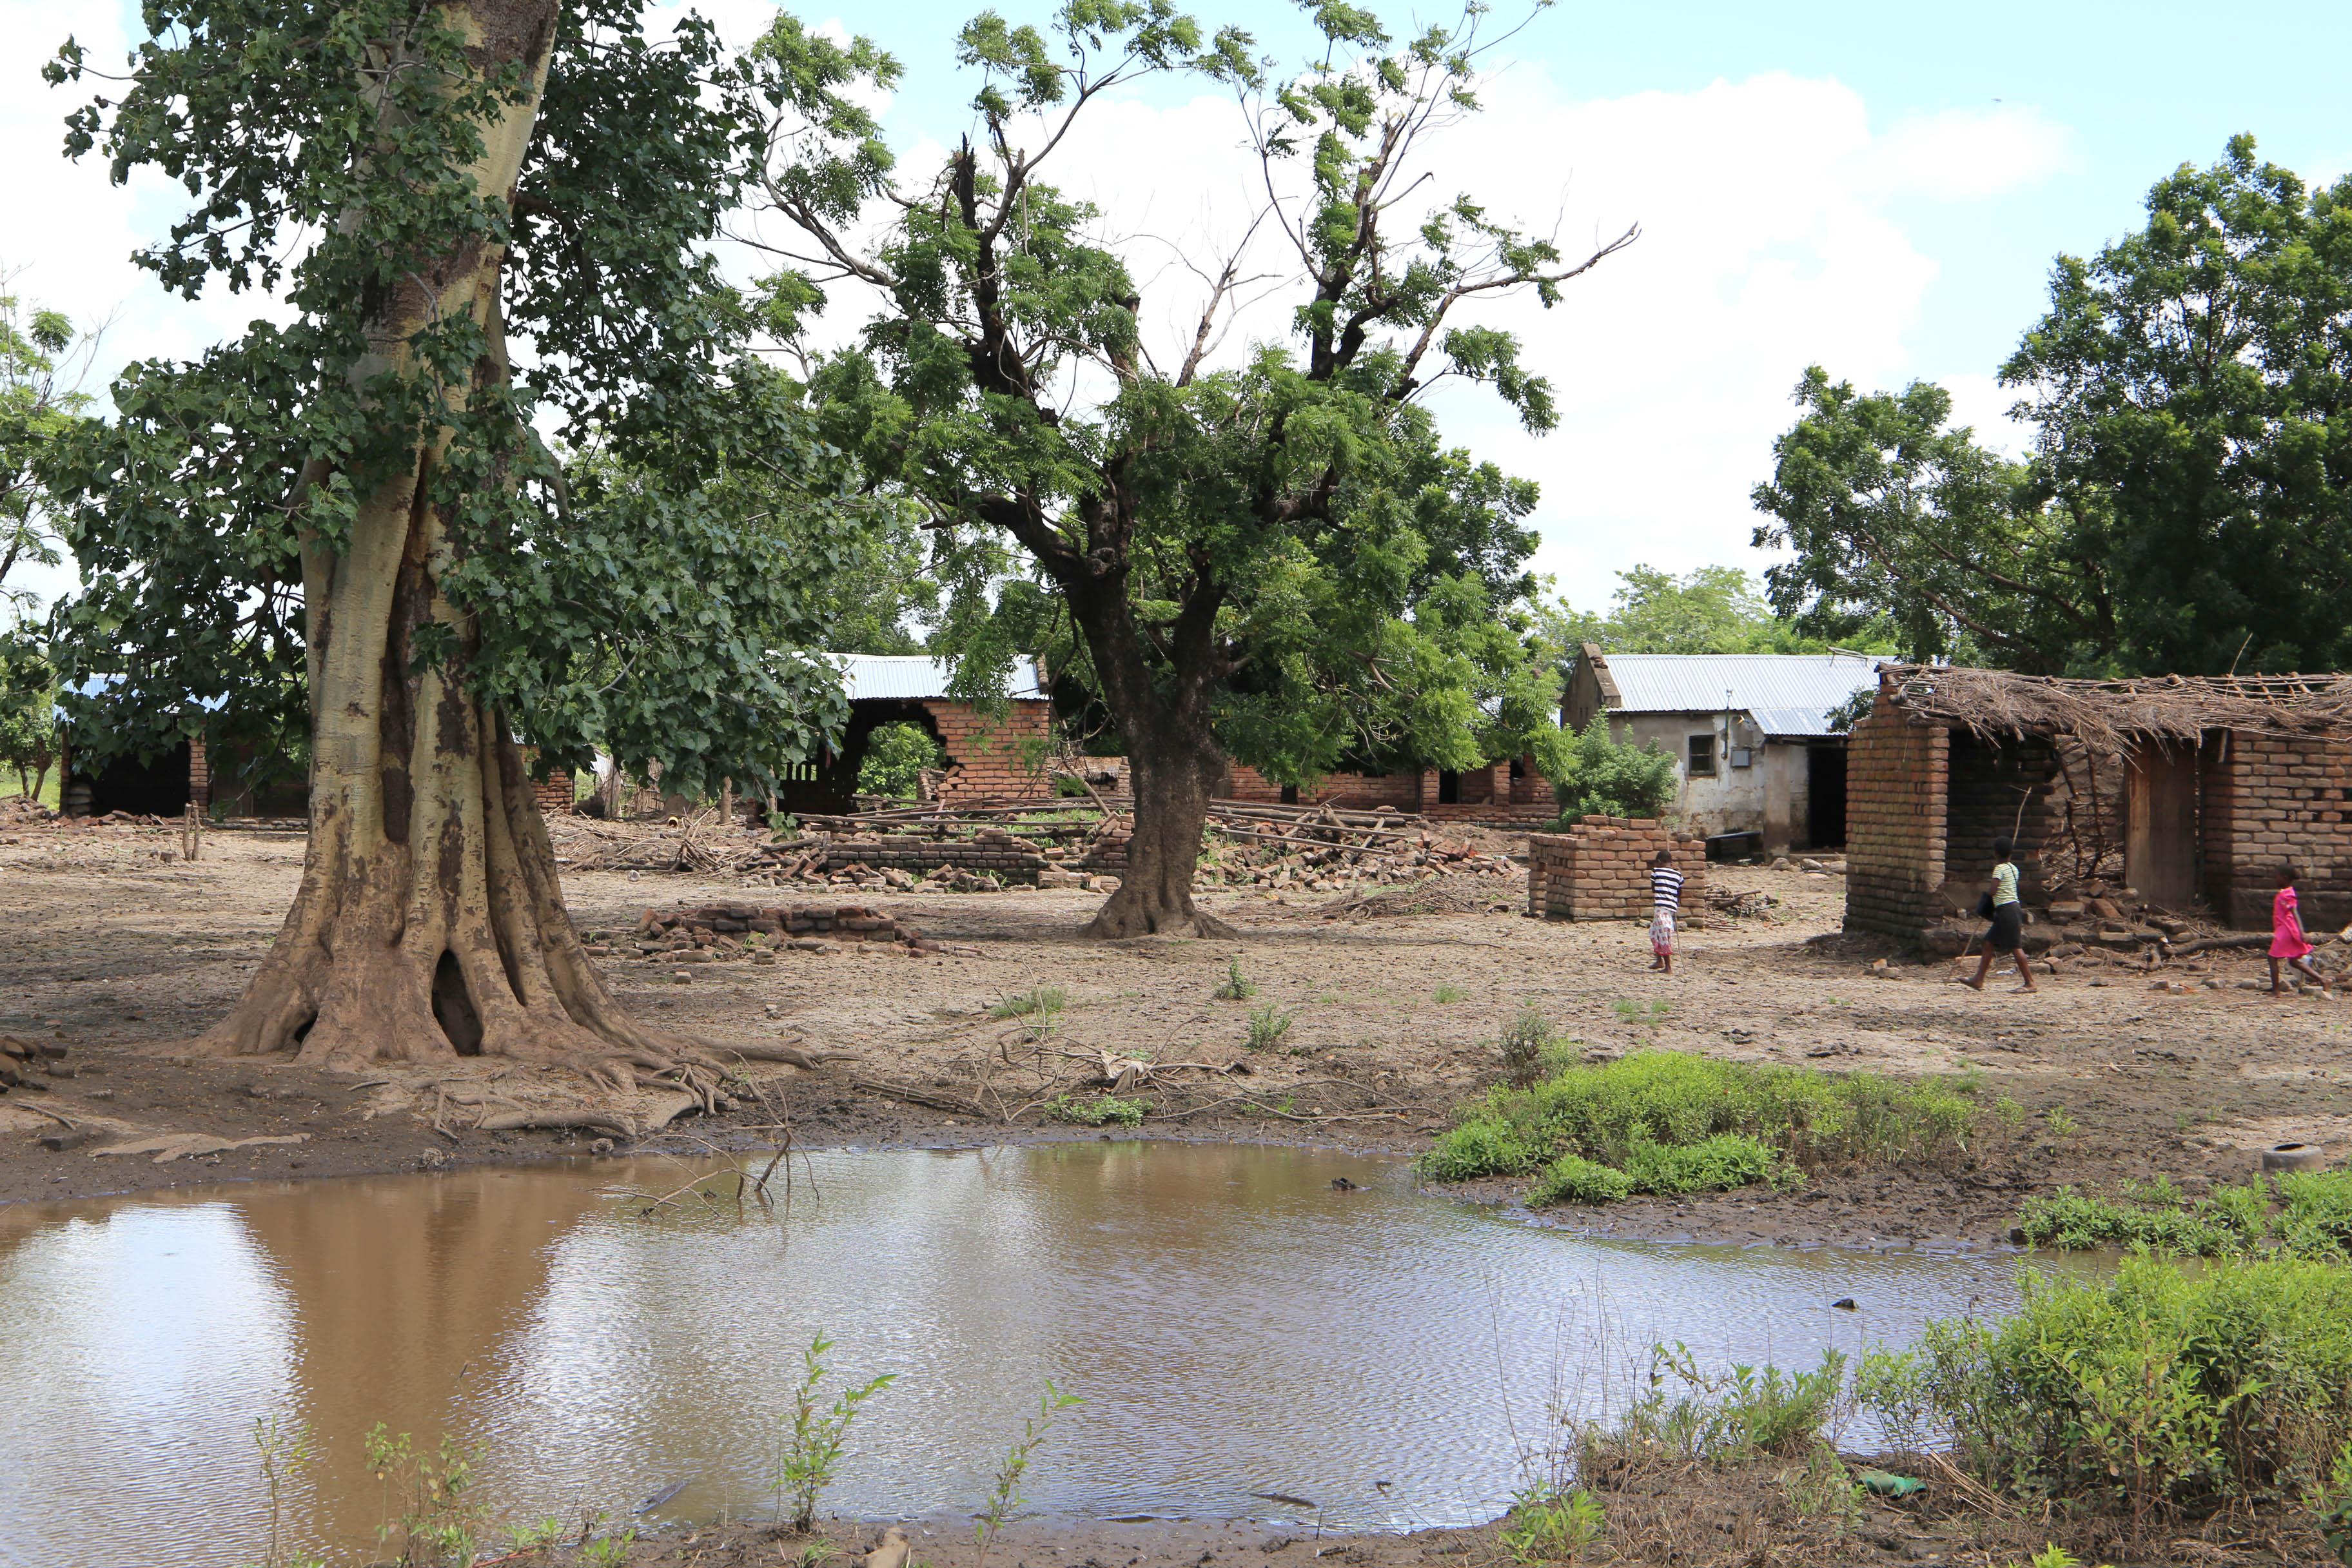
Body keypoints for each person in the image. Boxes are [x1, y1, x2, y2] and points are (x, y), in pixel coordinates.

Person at [1963, 836, 2037, 993]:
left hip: (2007, 910)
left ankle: (2030, 983)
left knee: (2016, 947)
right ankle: (1978, 980)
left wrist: (1985, 904)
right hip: (2012, 908)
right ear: (2011, 853)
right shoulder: (2014, 869)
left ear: (1995, 853)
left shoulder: (1999, 869)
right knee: (1989, 942)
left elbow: (1994, 890)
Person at [2268, 861, 2326, 995]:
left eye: (2276, 877)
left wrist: (2302, 932)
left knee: (2272, 958)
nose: (2275, 880)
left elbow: (2295, 913)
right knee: (2293, 961)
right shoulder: (2286, 893)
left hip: (2286, 930)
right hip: (2285, 929)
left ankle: (2276, 991)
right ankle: (2323, 980)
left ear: (2285, 878)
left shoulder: (2288, 894)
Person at [1647, 849, 1684, 974]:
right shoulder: (1678, 876)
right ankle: (1659, 961)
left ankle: (1668, 967)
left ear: (1658, 862)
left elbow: (1653, 889)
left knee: (1663, 936)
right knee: (1654, 933)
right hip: (1671, 908)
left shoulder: (1656, 872)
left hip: (1661, 908)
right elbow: (1679, 893)